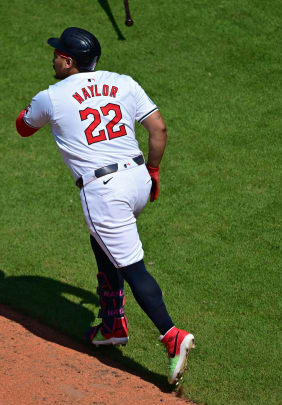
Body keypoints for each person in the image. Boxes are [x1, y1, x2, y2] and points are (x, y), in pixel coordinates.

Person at [15, 27, 194, 385]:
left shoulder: (50, 96)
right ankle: (113, 323)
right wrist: (154, 172)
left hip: (105, 192)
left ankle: (172, 336)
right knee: (102, 242)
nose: (52, 58)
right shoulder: (122, 81)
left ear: (68, 61)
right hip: (139, 178)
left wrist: (32, 111)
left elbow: (23, 127)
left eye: (56, 54)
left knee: (133, 267)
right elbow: (158, 128)